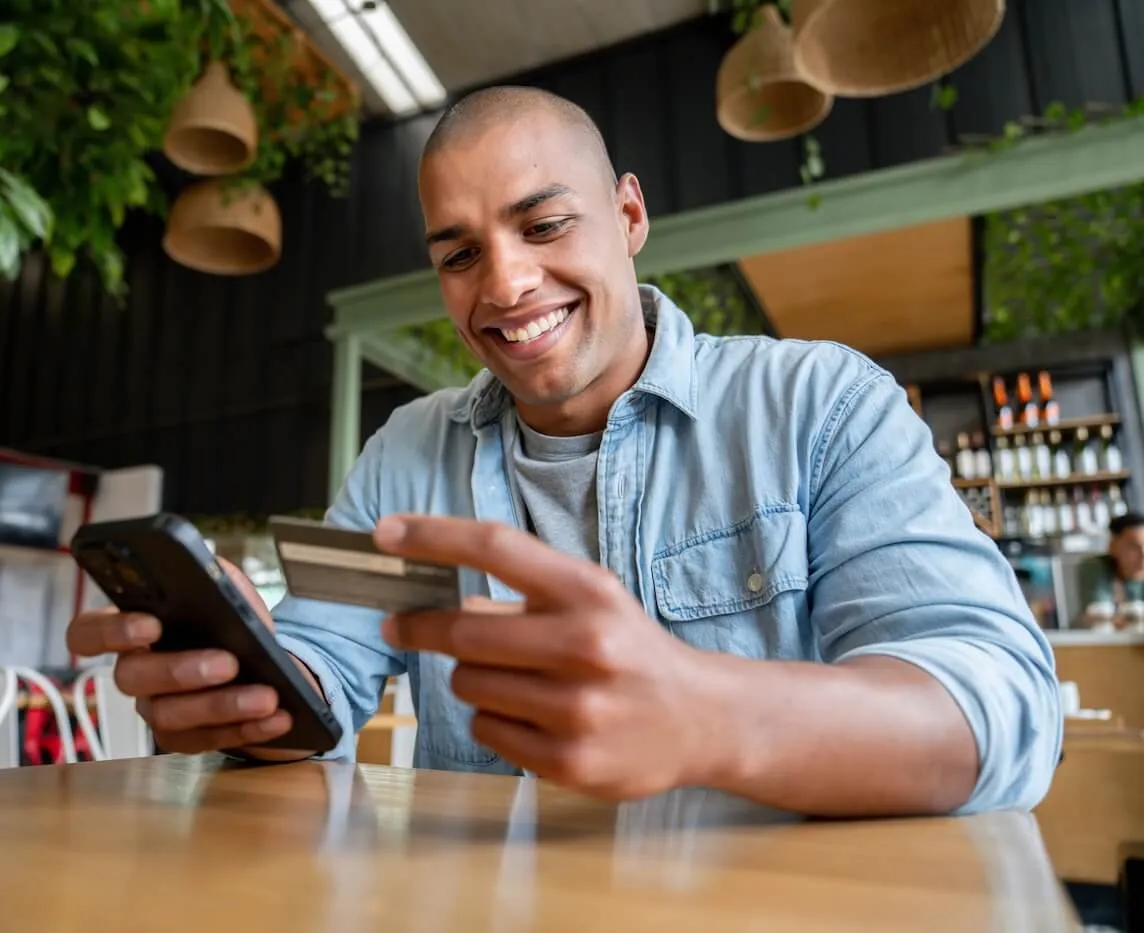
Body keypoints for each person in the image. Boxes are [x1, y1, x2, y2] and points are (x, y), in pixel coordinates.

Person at [67, 86, 1060, 817]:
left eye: (543, 224)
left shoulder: (817, 401)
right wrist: (241, 698)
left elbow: (1000, 708)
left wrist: (708, 714)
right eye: (456, 255)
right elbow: (320, 674)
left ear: (628, 216)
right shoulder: (406, 452)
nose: (502, 286)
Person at [1081, 512, 1144, 626]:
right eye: (1134, 547)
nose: (1142, 554)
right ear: (1112, 546)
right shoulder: (1097, 567)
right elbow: (1097, 613)